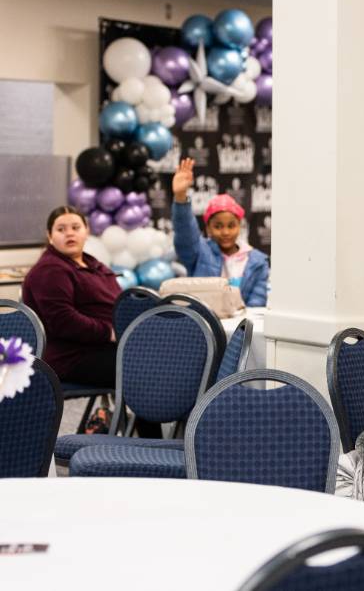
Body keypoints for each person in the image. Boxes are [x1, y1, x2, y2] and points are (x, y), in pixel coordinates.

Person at [21, 206, 160, 437]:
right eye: (61, 229)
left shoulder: (93, 265)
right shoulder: (50, 270)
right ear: (50, 236)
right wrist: (110, 332)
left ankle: (162, 440)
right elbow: (63, 321)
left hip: (102, 349)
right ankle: (152, 442)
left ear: (86, 231)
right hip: (71, 357)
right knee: (143, 368)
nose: (69, 233)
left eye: (75, 227)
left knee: (157, 360)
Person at [172, 157, 269, 306]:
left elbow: (257, 302)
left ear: (240, 226)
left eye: (231, 226)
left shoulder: (258, 262)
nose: (225, 232)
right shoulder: (200, 252)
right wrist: (180, 197)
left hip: (242, 321)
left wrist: (241, 319)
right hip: (204, 320)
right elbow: (185, 233)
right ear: (208, 228)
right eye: (218, 226)